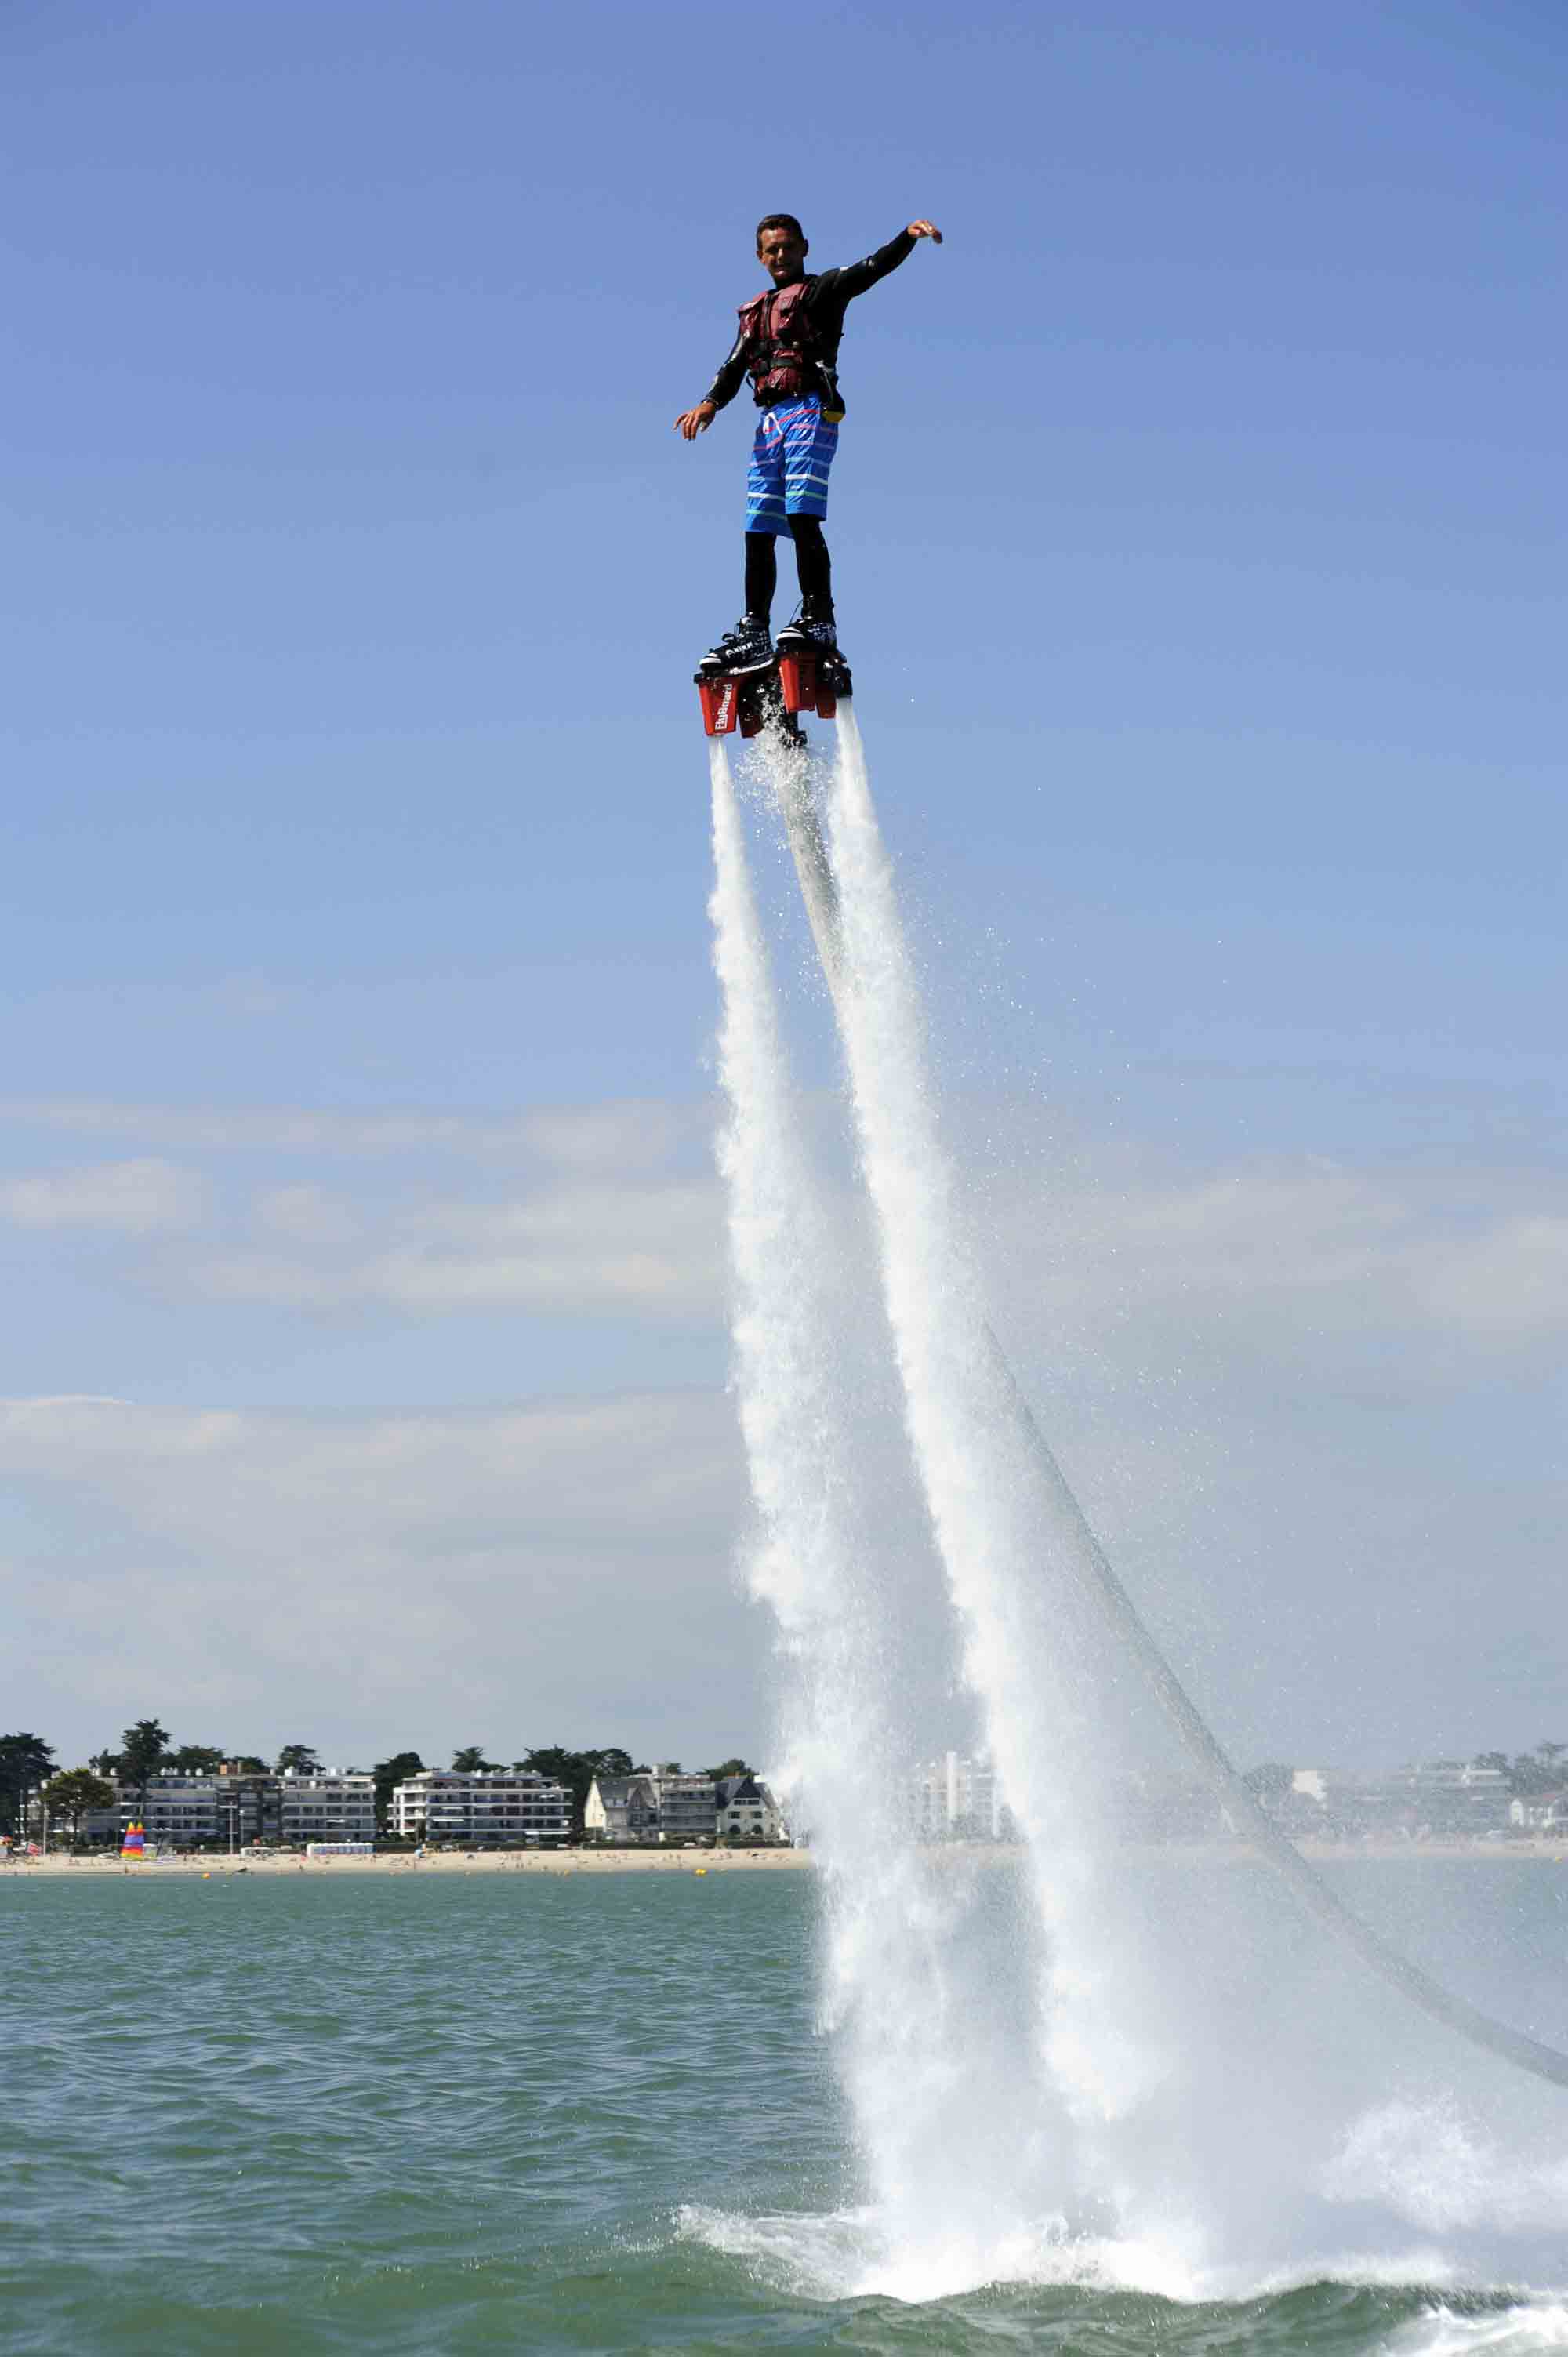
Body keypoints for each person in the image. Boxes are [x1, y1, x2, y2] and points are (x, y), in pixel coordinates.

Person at [675, 212, 942, 674]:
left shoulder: (821, 291)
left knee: (801, 516)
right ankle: (754, 629)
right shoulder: (755, 312)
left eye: (787, 247)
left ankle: (820, 617)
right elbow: (735, 365)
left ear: (803, 248)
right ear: (760, 257)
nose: (780, 256)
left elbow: (870, 269)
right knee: (757, 527)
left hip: (810, 410)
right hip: (769, 422)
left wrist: (907, 238)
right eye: (771, 250)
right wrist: (709, 404)